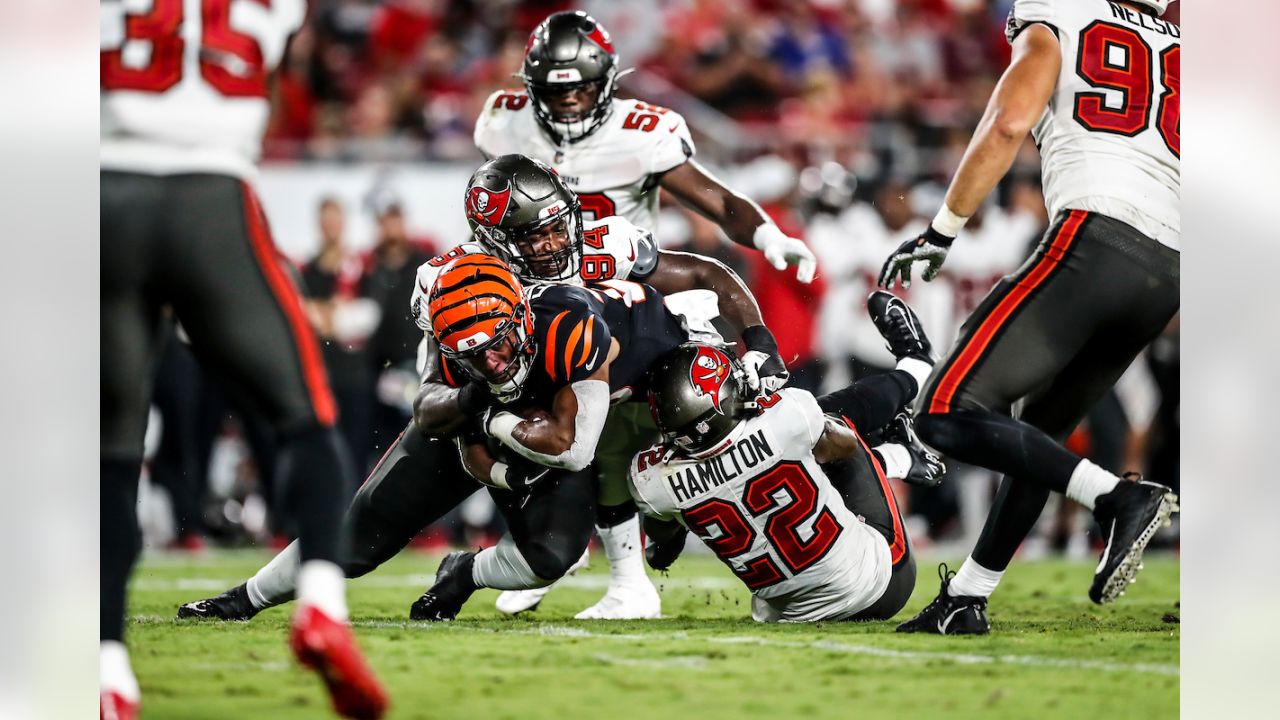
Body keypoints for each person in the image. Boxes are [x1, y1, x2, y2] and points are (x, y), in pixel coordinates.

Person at [176, 155, 785, 622]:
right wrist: (482, 420)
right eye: (532, 237)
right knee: (362, 540)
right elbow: (431, 403)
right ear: (494, 241)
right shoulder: (452, 283)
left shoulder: (601, 248)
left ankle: (479, 569)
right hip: (483, 404)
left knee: (550, 553)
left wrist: (760, 341)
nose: (551, 246)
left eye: (555, 228)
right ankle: (245, 599)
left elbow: (706, 273)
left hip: (564, 410)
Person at [475, 8, 821, 620]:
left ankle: (774, 556)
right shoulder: (504, 123)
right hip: (539, 302)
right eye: (557, 90)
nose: (572, 101)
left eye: (582, 85)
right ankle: (557, 552)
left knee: (681, 434)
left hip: (627, 290)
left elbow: (714, 198)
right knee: (533, 424)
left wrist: (769, 237)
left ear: (608, 78)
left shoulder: (642, 133)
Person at [100, 0, 387, 717]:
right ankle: (320, 605)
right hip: (210, 195)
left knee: (108, 453)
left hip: (103, 195)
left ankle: (107, 668)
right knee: (308, 417)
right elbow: (284, 71)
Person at [878, 0, 1180, 634]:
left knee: (945, 409)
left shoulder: (1061, 10)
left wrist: (943, 227)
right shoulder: (1180, 42)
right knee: (1039, 435)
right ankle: (968, 596)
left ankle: (1121, 497)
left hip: (1097, 235)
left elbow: (1009, 119)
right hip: (1171, 265)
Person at [628, 292, 945, 622]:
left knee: (800, 450)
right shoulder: (786, 418)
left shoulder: (651, 483)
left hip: (795, 615)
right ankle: (914, 382)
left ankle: (901, 452)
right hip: (882, 585)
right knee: (828, 423)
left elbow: (660, 555)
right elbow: (846, 446)